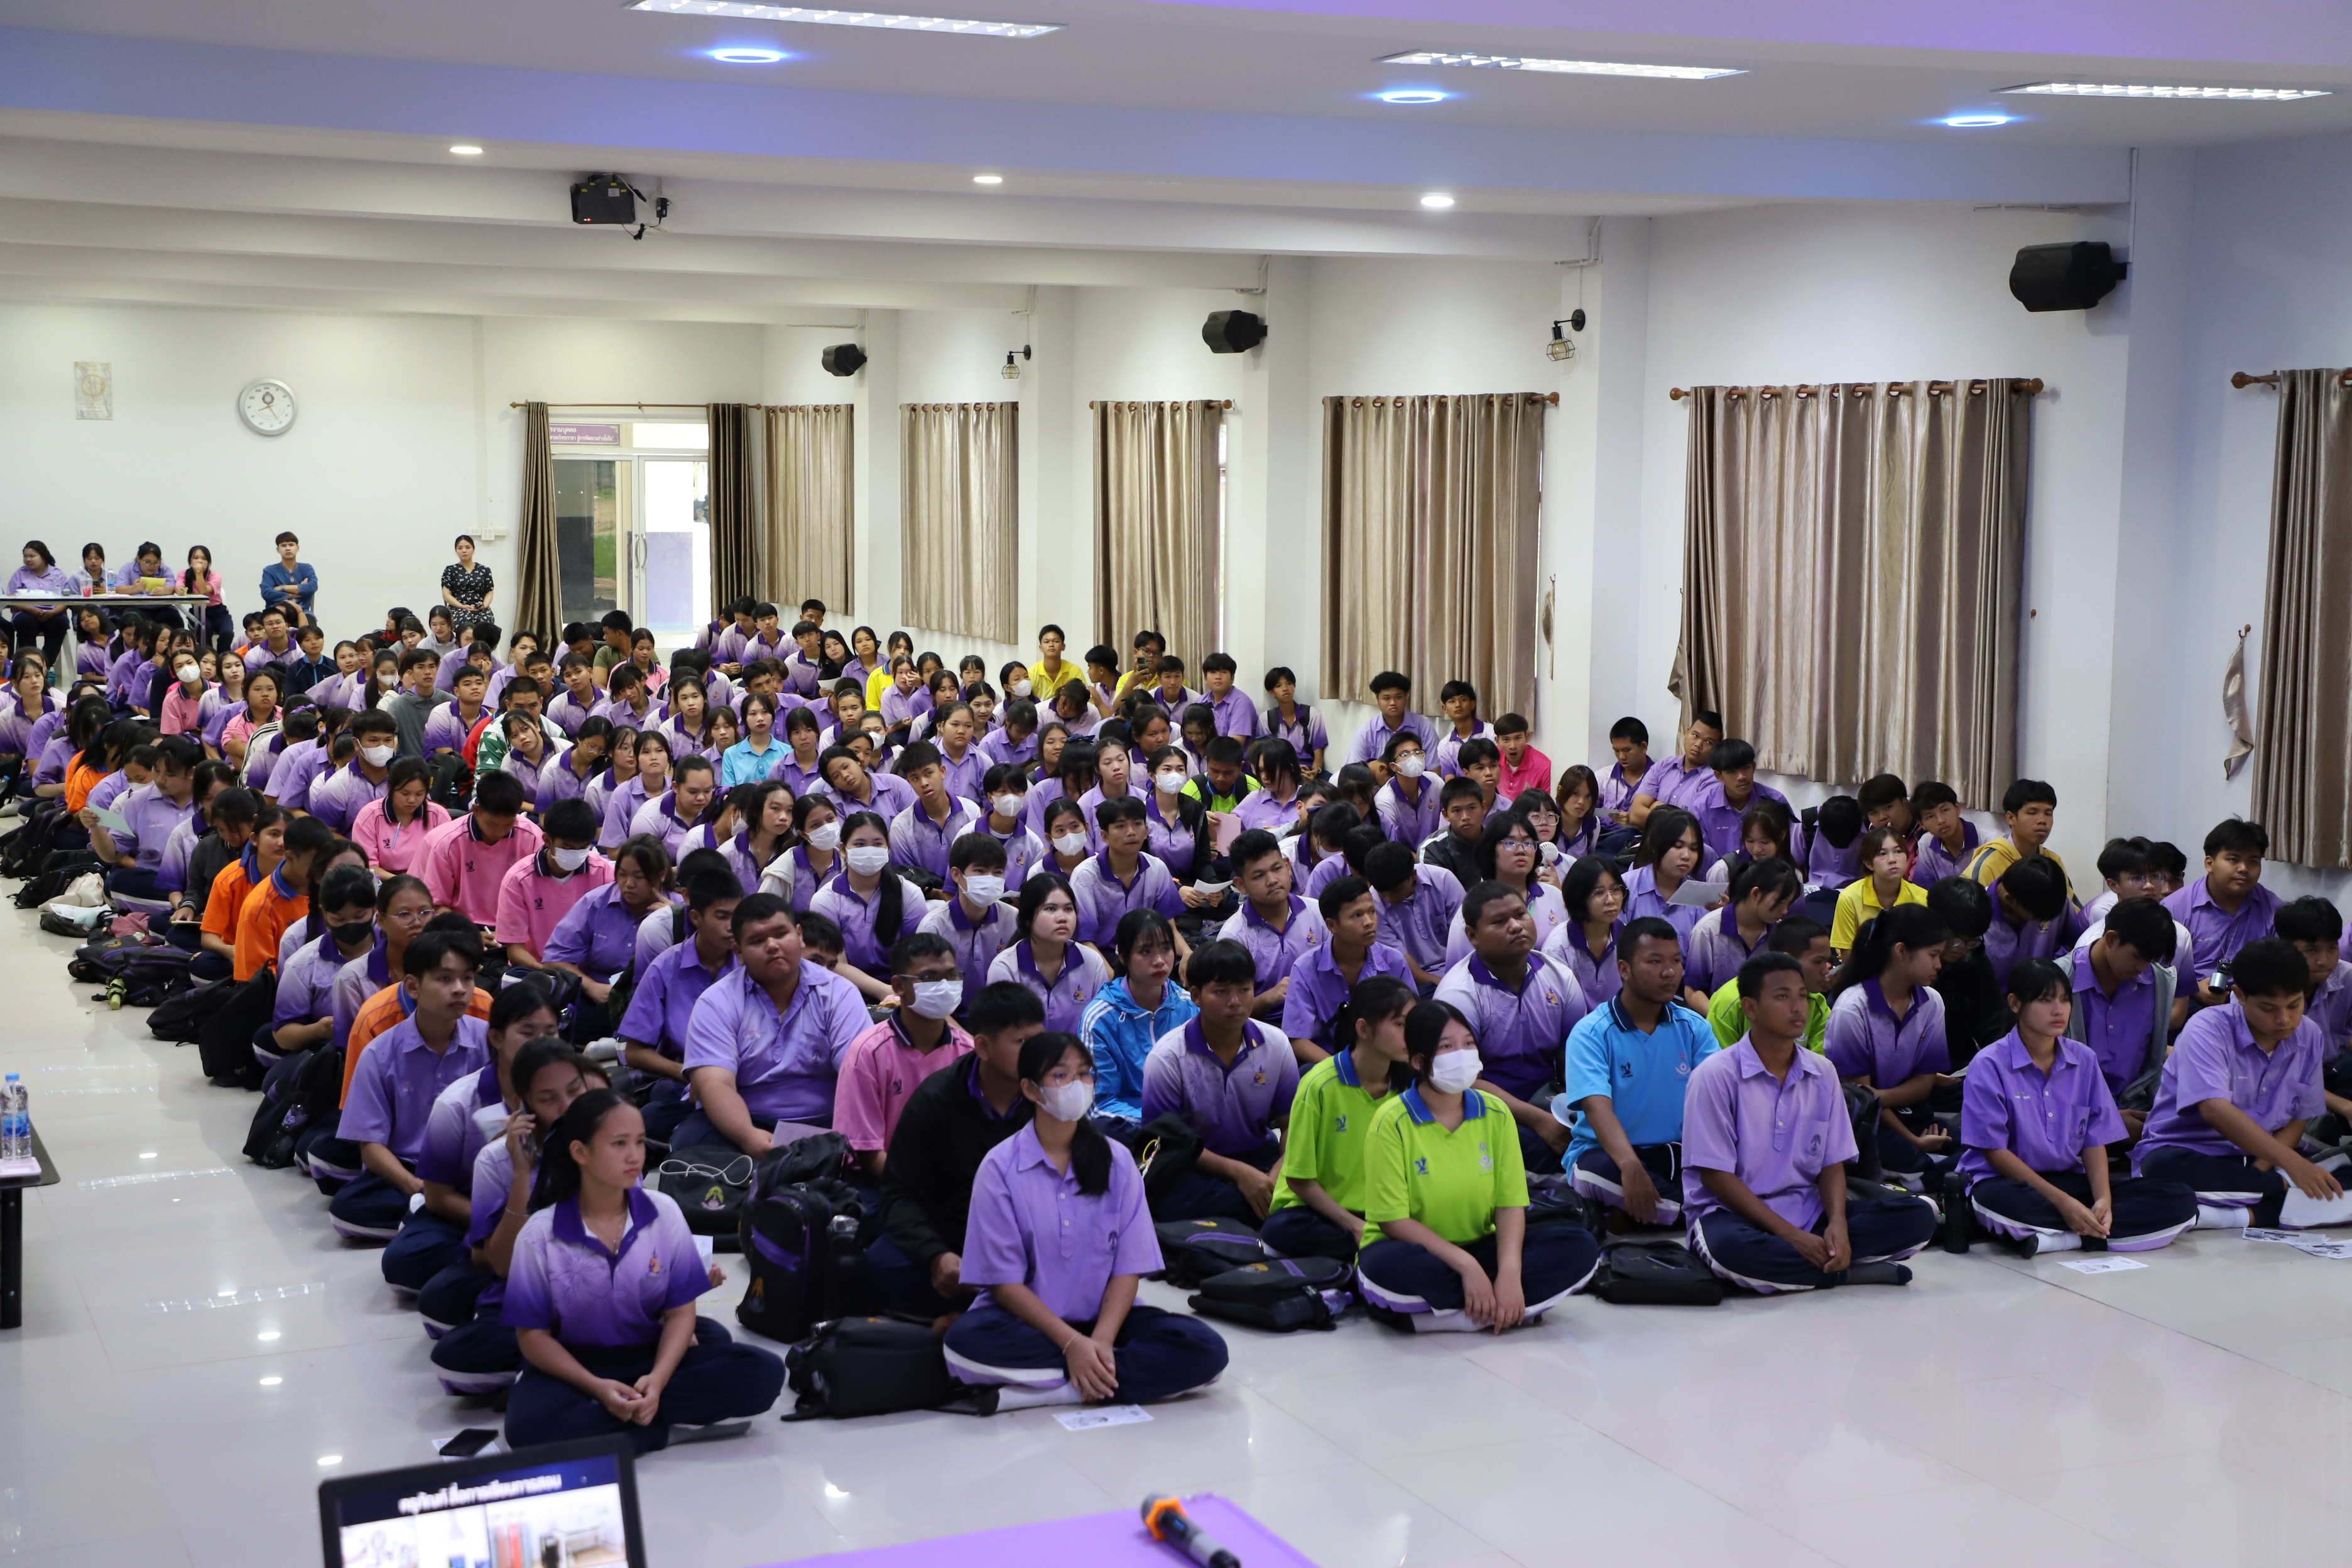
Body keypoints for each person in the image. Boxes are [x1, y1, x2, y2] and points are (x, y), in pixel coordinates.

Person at [940, 1029, 1229, 1412]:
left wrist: (1102, 1342)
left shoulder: (1118, 1160)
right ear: (1030, 1089)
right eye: (1061, 1075)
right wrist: (1072, 1345)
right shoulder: (1000, 1168)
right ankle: (1109, 1377)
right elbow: (1004, 1285)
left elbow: (1128, 1268)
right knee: (963, 1347)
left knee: (1207, 1349)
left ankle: (1065, 1388)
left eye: (1084, 1074)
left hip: (1104, 1320)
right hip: (1025, 1324)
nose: (1077, 1085)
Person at [501, 1091, 785, 1451]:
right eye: (619, 1143)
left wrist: (658, 1381)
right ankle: (657, 1429)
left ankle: (622, 1420)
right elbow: (532, 1337)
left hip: (648, 1352)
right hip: (574, 1363)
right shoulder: (540, 1234)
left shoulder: (664, 1211)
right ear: (580, 1152)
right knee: (526, 1430)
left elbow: (681, 1313)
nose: (635, 1155)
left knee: (765, 1372)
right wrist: (597, 1388)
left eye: (639, 1141)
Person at [1682, 952, 1939, 1292]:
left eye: (1802, 996)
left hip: (1807, 1210)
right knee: (1729, 1251)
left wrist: (1838, 1224)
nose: (1797, 1008)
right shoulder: (1715, 1076)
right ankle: (1845, 1273)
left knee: (1920, 1218)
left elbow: (1832, 1163)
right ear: (1750, 1008)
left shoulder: (1822, 1072)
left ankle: (1795, 1269)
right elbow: (1716, 1177)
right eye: (1782, 997)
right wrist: (1792, 1236)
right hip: (1732, 1215)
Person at [1356, 1001, 1603, 1332]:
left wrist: (1510, 1273)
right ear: (1418, 1061)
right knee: (1380, 1269)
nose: (1462, 1054)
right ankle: (1498, 1309)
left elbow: (1510, 1203)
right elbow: (1392, 1220)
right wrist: (1467, 1267)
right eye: (1447, 1047)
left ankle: (1455, 1314)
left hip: (1481, 1243)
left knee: (1579, 1247)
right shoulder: (1391, 1122)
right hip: (1418, 1251)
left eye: (1468, 1043)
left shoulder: (1496, 1113)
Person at [1958, 959, 2199, 1256]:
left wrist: (2103, 1200)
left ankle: (2063, 1238)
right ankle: (2092, 1232)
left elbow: (2093, 1139)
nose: (2058, 1010)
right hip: (2008, 1182)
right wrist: (2063, 1203)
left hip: (2068, 1178)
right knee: (1997, 1202)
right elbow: (1995, 1153)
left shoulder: (2083, 1059)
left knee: (2180, 1198)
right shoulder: (1989, 1064)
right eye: (2045, 1000)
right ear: (2015, 1004)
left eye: (2064, 1000)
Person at [2133, 938, 2340, 1229]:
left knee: (2338, 1178)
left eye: (2294, 1005)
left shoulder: (2309, 1034)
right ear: (2240, 995)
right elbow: (2214, 1110)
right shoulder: (2207, 1028)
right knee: (2161, 1169)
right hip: (2192, 1154)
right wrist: (2291, 1168)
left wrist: (2261, 1172)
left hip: (2259, 1160)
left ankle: (2234, 1213)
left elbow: (2299, 1118)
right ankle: (2280, 1200)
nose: (2284, 1019)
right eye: (2268, 1008)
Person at [389, 981, 565, 1293]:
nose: (541, 1044)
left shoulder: (575, 1096)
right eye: (527, 1032)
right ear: (496, 1038)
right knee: (404, 1260)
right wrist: (500, 1225)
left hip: (555, 1211)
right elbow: (439, 1197)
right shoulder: (457, 1103)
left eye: (550, 1032)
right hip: (472, 1211)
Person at [326, 928, 491, 1240]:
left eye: (468, 978)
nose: (460, 989)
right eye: (445, 979)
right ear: (414, 986)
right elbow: (370, 1146)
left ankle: (436, 1219)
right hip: (411, 1170)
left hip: (474, 1169)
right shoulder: (380, 1052)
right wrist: (415, 1187)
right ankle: (452, 1217)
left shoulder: (489, 1040)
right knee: (346, 1210)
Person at [1559, 917, 1720, 1224]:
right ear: (1624, 969)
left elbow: (1718, 1101)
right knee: (1593, 1172)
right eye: (1655, 962)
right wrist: (1630, 1165)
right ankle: (1699, 1213)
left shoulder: (1694, 1028)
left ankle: (1651, 1213)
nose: (1669, 972)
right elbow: (1597, 1108)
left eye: (1676, 961)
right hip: (1609, 1155)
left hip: (1675, 1155)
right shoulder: (1591, 1033)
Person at [678, 894, 869, 1153]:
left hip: (829, 1120)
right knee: (690, 1143)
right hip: (746, 1121)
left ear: (799, 936)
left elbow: (859, 1075)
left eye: (781, 934)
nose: (772, 945)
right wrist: (747, 1136)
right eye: (757, 941)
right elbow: (715, 1084)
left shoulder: (839, 993)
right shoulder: (716, 1001)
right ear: (739, 952)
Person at [1258, 977, 1417, 1262]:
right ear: (1363, 1029)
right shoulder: (1319, 1084)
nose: (1412, 1035)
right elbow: (1299, 1180)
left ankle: (1373, 1250)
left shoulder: (1411, 1089)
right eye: (1400, 1024)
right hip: (1318, 1211)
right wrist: (1355, 1226)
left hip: (1383, 1212)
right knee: (1280, 1232)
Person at [1433, 881, 1588, 1171]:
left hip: (1548, 1095)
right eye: (1499, 922)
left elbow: (1573, 1055)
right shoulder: (1458, 995)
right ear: (1473, 935)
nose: (1516, 926)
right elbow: (1463, 1082)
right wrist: (1538, 1120)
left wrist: (1584, 1109)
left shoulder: (1559, 977)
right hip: (1483, 1106)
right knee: (1542, 1153)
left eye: (1520, 915)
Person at [1824, 902, 1956, 1184]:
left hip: (1909, 1110)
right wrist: (1912, 1140)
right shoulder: (1852, 1009)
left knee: (1974, 1144)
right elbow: (1861, 1100)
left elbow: (1924, 1083)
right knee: (1915, 1163)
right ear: (1901, 951)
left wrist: (1879, 1095)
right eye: (1933, 955)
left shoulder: (1932, 1002)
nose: (1939, 965)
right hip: (1862, 1122)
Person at [835, 932, 974, 1175]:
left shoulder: (970, 1054)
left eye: (951, 976)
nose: (944, 986)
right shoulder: (868, 1053)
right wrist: (916, 1188)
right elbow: (865, 1149)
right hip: (885, 1179)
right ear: (899, 986)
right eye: (929, 977)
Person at [2053, 897, 2179, 1130]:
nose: (2142, 968)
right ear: (2111, 939)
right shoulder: (2057, 981)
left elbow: (2154, 1068)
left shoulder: (2157, 982)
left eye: (2150, 960)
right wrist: (2106, 1121)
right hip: (2069, 1114)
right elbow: (2042, 1077)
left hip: (2136, 1106)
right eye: (2137, 957)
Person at [1081, 908, 1198, 1126]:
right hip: (1132, 1128)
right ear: (1123, 956)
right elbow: (1100, 1103)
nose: (1160, 961)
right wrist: (1162, 1126)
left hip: (1190, 1123)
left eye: (1166, 949)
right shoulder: (1100, 1018)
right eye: (1146, 952)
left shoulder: (1189, 1006)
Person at [1278, 876, 1414, 1064]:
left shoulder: (1394, 962)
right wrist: (1343, 1070)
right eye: (1357, 916)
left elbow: (1413, 1023)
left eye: (1372, 912)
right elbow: (1298, 1039)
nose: (1369, 922)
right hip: (1330, 1060)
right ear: (1332, 925)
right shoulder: (1305, 968)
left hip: (1387, 1058)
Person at [2164, 819, 2282, 1025]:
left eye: (2253, 861)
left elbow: (2283, 967)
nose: (2244, 869)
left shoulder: (2274, 910)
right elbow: (2156, 970)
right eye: (2233, 859)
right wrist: (2192, 987)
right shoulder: (2174, 909)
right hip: (2189, 1000)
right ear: (2209, 863)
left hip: (2250, 1002)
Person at [808, 810, 928, 1004]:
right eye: (860, 844)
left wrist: (899, 991)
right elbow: (835, 964)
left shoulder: (909, 893)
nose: (869, 851)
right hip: (845, 991)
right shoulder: (825, 900)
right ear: (843, 850)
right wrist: (884, 991)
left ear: (887, 848)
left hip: (902, 988)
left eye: (878, 844)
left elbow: (918, 955)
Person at [418, 770, 544, 929]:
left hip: (517, 927)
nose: (500, 832)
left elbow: (541, 896)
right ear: (476, 810)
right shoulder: (448, 842)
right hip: (463, 929)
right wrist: (469, 933)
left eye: (508, 824)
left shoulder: (532, 837)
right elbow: (437, 905)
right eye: (492, 824)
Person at [1704, 913, 1832, 1054]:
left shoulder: (1817, 1003)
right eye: (1818, 962)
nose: (1826, 970)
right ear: (1788, 960)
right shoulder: (1730, 1001)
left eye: (1827, 961)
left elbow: (1821, 1063)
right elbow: (1720, 1063)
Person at [1684, 857, 1800, 1000]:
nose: (1785, 911)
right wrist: (1719, 1014)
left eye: (1789, 903)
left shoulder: (1780, 934)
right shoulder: (1708, 930)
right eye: (1780, 902)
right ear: (1756, 894)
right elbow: (1693, 991)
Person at [1363, 838, 1462, 990]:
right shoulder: (1372, 906)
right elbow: (1404, 966)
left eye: (1395, 891)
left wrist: (1461, 981)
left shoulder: (1443, 880)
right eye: (1381, 892)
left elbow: (1465, 938)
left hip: (1459, 968)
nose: (1388, 898)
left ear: (1413, 875)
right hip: (1414, 982)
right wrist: (1448, 987)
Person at [1964, 778, 2071, 901]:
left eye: (2048, 813)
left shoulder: (2053, 861)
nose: (2042, 820)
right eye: (2033, 813)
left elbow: (2071, 909)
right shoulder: (1988, 865)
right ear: (2011, 818)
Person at [1831, 825, 1930, 956]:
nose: (1892, 860)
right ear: (1868, 863)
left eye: (1898, 851)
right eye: (1882, 854)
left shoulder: (1922, 898)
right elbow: (1848, 956)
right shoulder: (1849, 898)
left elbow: (1925, 951)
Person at [1623, 805, 1711, 950]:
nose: (1687, 856)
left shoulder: (1700, 896)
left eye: (1694, 849)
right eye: (1678, 846)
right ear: (1655, 846)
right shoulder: (1627, 886)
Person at [1544, 854, 1628, 1007]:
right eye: (1599, 892)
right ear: (1579, 897)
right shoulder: (1558, 947)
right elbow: (1555, 1006)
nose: (1611, 900)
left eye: (1615, 890)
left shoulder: (1628, 938)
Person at [1626, 710, 1723, 827]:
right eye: (1695, 735)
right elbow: (1636, 815)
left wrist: (1656, 808)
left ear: (1716, 747)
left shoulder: (1714, 779)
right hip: (1645, 837)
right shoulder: (1663, 766)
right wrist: (1672, 819)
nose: (1698, 744)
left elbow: (1692, 828)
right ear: (1687, 733)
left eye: (1708, 742)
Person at [1344, 671, 1439, 766]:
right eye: (1387, 698)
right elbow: (1353, 770)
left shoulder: (1423, 727)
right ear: (1377, 699)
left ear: (1406, 697)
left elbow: (1434, 768)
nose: (1393, 703)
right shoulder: (1367, 733)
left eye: (1398, 697)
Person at [7, 540, 75, 668]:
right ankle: (29, 664)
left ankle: (44, 666)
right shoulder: (20, 574)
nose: (28, 560)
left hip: (53, 613)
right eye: (25, 556)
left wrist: (53, 612)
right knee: (25, 622)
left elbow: (67, 600)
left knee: (60, 623)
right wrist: (31, 610)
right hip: (26, 612)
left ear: (43, 556)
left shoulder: (57, 574)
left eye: (32, 556)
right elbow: (11, 600)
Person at [1907, 781, 1979, 888]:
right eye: (1930, 816)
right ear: (1922, 824)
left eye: (1945, 810)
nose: (1941, 821)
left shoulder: (1991, 841)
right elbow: (1922, 891)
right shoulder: (1926, 844)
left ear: (1957, 808)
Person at [1261, 666, 1326, 775]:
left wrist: (1315, 771)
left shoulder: (1312, 715)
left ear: (1294, 686)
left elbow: (1319, 755)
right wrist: (1292, 768)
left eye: (1289, 683)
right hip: (1280, 771)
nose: (1285, 688)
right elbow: (1265, 756)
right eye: (1279, 686)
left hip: (1308, 769)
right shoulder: (1266, 719)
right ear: (1272, 693)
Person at [259, 531, 317, 626]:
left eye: (291, 545)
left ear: (298, 548)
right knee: (264, 627)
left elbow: (312, 587)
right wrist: (295, 592)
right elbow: (267, 593)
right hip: (276, 613)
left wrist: (283, 587)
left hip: (303, 611)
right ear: (278, 549)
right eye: (284, 545)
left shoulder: (306, 568)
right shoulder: (269, 570)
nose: (288, 548)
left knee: (311, 631)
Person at [440, 533, 494, 633]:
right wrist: (462, 606)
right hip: (458, 608)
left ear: (474, 550)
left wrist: (484, 606)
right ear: (456, 551)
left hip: (480, 608)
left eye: (468, 547)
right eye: (460, 548)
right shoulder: (450, 570)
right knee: (465, 623)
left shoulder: (485, 570)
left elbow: (489, 592)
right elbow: (446, 595)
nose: (464, 551)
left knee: (487, 625)